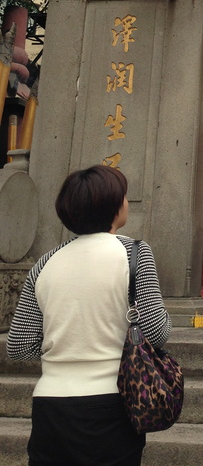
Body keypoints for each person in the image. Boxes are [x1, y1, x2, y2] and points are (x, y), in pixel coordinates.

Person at [7, 165, 172, 466]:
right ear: (114, 206)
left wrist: (66, 342)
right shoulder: (134, 253)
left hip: (50, 404)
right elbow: (156, 333)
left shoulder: (45, 263)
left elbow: (19, 346)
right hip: (112, 402)